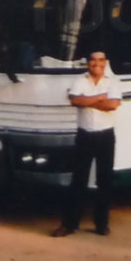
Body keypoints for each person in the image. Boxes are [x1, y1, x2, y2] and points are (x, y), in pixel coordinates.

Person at [51, 51, 121, 237]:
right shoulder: (80, 80)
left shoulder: (113, 81)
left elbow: (112, 105)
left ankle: (102, 225)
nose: (96, 63)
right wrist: (99, 98)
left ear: (105, 63)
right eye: (92, 60)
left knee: (104, 181)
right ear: (88, 63)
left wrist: (87, 101)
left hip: (106, 136)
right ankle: (69, 225)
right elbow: (74, 100)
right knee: (78, 181)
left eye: (100, 60)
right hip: (85, 136)